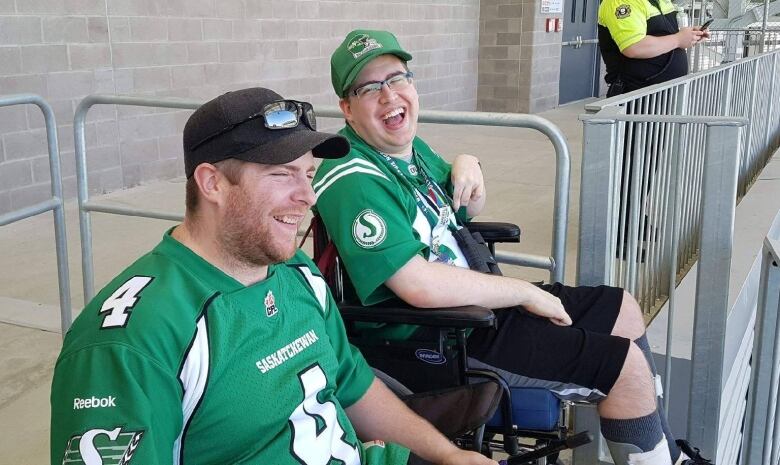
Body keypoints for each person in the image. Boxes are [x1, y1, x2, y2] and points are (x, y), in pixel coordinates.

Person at [313, 30, 713, 465]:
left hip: (479, 304)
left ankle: (666, 451)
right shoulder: (350, 176)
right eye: (368, 88)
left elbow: (467, 206)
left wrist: (470, 164)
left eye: (396, 78)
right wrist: (525, 293)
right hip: (443, 336)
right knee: (625, 369)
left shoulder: (408, 150)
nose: (389, 95)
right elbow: (418, 286)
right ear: (348, 109)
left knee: (624, 308)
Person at [50, 87, 497, 465]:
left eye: (308, 173)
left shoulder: (296, 272)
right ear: (213, 184)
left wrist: (448, 456)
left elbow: (353, 385)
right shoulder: (132, 341)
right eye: (282, 174)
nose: (306, 195)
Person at [597, 0, 709, 96]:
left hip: (665, 95)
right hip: (637, 97)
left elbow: (667, 34)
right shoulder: (619, 2)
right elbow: (634, 47)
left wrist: (690, 36)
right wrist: (679, 39)